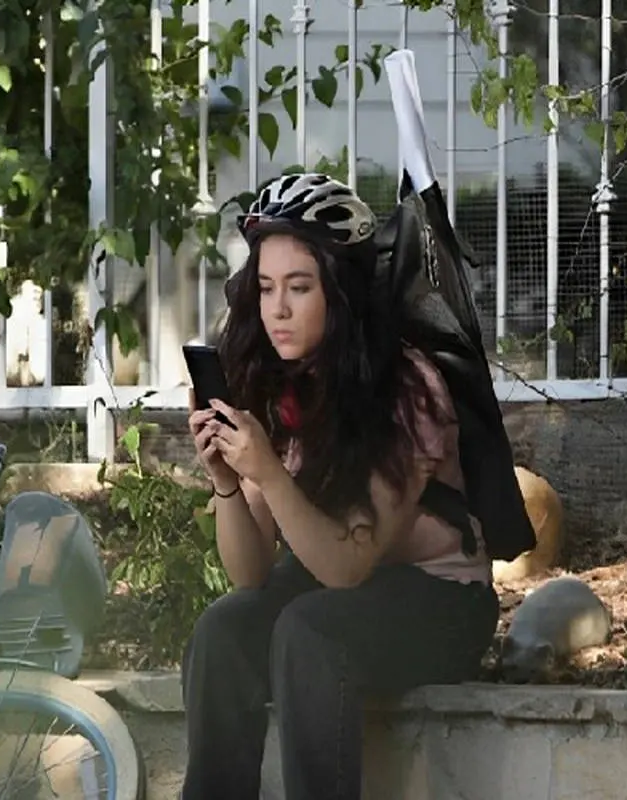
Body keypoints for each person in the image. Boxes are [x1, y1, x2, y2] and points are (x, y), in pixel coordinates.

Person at [181, 172, 500, 800]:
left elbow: (347, 567)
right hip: (336, 591)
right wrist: (227, 481)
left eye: (299, 287)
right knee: (223, 631)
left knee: (309, 630)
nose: (277, 309)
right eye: (266, 287)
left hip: (440, 602)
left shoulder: (407, 389)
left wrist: (270, 471)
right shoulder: (279, 381)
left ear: (341, 293)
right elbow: (249, 574)